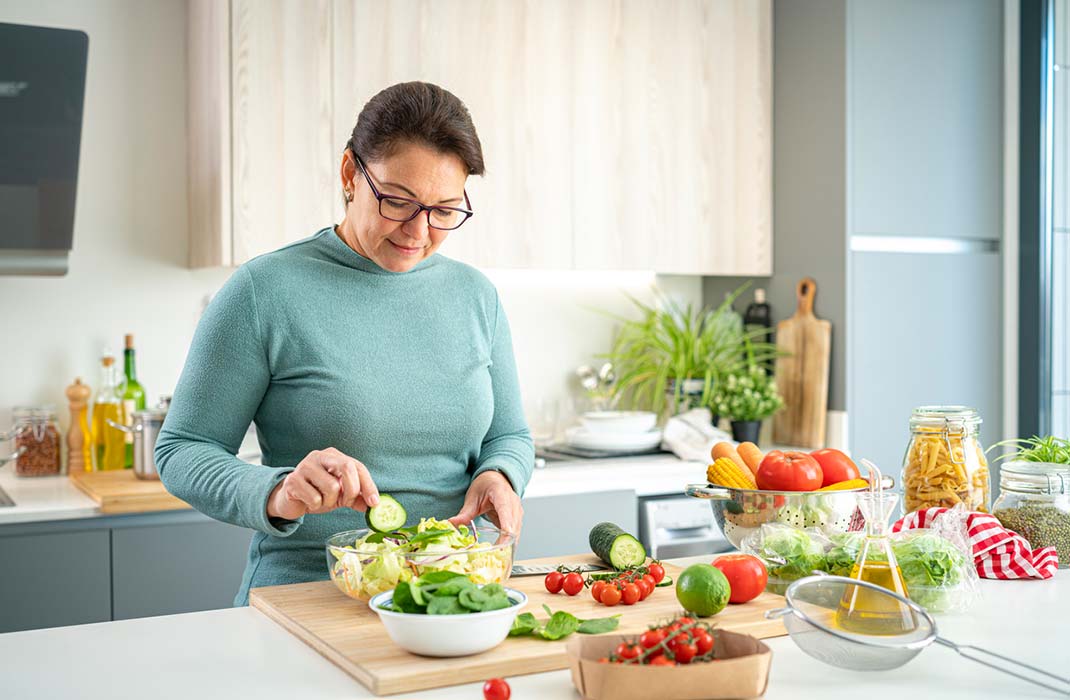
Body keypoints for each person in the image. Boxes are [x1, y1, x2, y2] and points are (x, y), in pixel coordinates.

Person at [155, 82, 534, 605]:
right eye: (398, 202)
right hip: (309, 600)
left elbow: (510, 434)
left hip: (449, 600)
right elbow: (182, 451)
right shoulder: (263, 291)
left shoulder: (476, 296)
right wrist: (279, 491)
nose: (419, 232)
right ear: (350, 174)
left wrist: (500, 474)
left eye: (445, 210)